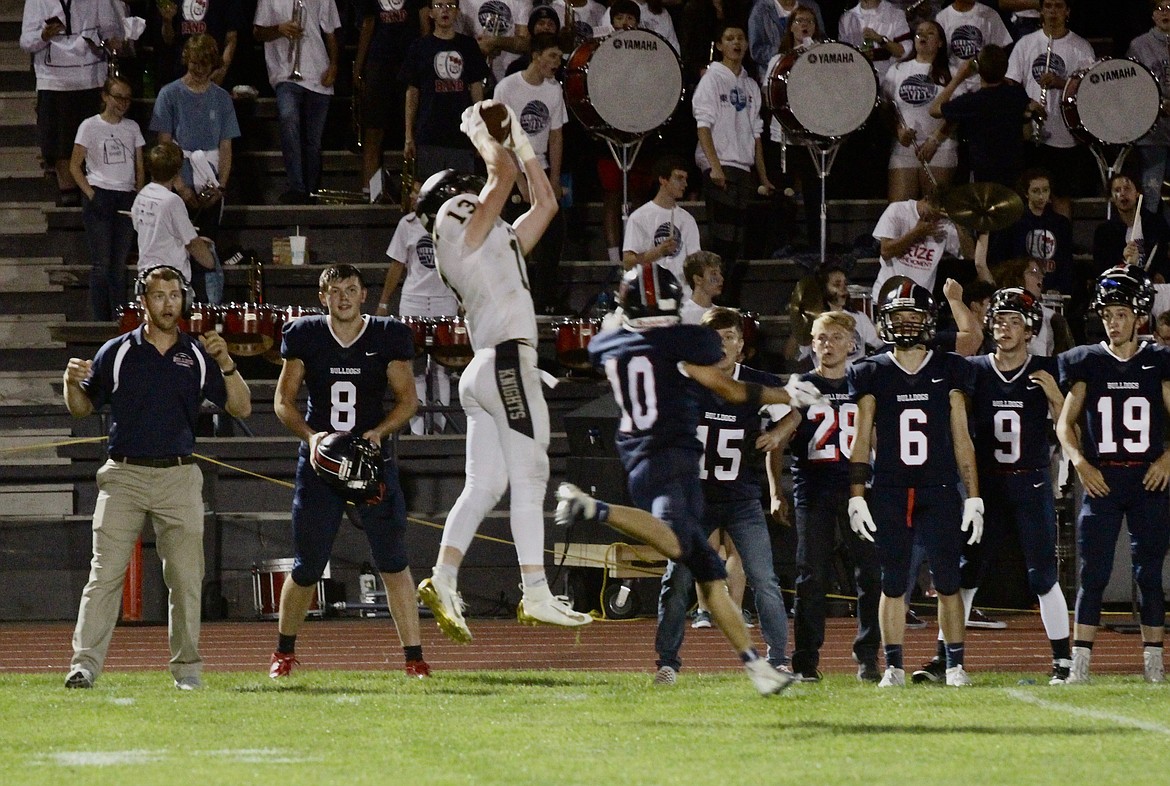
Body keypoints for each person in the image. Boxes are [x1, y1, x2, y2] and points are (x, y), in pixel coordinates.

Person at [555, 263, 827, 695]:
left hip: (635, 454)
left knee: (704, 569)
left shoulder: (610, 343)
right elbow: (729, 387)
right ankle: (594, 508)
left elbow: (602, 348)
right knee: (681, 550)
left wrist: (619, 325)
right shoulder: (684, 340)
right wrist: (787, 393)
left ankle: (758, 667)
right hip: (675, 457)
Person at [415, 100, 592, 642]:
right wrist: (482, 133)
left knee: (485, 483)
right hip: (507, 362)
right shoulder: (455, 225)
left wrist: (518, 136)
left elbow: (544, 202)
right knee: (531, 475)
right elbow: (505, 175)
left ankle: (444, 577)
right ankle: (536, 591)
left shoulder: (495, 240)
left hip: (489, 369)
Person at [63, 265, 251, 690]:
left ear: (183, 299)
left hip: (179, 476)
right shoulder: (117, 350)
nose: (168, 303)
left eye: (174, 295)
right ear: (143, 301)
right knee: (104, 575)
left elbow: (240, 408)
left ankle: (187, 671)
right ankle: (84, 666)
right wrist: (68, 382)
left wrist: (225, 361)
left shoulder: (199, 355)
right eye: (159, 295)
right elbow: (81, 407)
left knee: (186, 579)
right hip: (124, 475)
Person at [269, 264, 428, 679]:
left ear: (363, 295)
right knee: (307, 565)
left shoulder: (387, 335)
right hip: (322, 464)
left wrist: (379, 432)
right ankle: (283, 653)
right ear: (322, 297)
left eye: (351, 289)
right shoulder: (304, 333)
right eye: (335, 290)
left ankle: (414, 658)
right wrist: (312, 439)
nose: (343, 297)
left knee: (393, 561)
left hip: (371, 461)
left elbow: (408, 401)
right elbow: (283, 401)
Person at [913, 287, 1072, 684]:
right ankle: (946, 660)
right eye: (1000, 320)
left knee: (1042, 575)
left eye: (1014, 320)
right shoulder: (976, 370)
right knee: (966, 573)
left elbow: (1071, 431)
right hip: (984, 488)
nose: (1005, 327)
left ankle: (1063, 662)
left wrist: (1055, 396)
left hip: (1030, 483)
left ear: (1030, 328)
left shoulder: (1046, 369)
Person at [846, 280, 983, 687]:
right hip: (889, 486)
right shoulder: (870, 371)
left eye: (913, 317)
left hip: (938, 486)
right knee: (893, 583)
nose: (905, 325)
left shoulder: (949, 368)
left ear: (927, 322)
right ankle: (893, 667)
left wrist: (973, 496)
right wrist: (857, 496)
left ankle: (955, 664)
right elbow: (860, 438)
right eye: (898, 317)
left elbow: (962, 437)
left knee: (947, 580)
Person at [651, 306, 794, 685]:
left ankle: (779, 659)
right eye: (714, 338)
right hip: (692, 499)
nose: (722, 344)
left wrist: (779, 433)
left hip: (741, 497)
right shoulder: (686, 378)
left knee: (764, 579)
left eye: (729, 336)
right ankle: (667, 662)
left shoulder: (756, 382)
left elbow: (797, 404)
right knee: (677, 580)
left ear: (741, 344)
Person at [1057, 265, 1170, 684]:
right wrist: (1081, 463)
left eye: (1121, 313)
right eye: (1107, 314)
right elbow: (1064, 424)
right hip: (1103, 478)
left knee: (1148, 574)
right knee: (1094, 574)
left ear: (1138, 316)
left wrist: (1167, 459)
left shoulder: (1157, 361)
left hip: (1147, 480)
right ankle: (1080, 667)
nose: (1113, 322)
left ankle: (1154, 666)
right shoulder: (1087, 361)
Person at [770, 310, 883, 682]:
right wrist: (775, 489)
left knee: (869, 572)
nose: (827, 345)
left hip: (859, 490)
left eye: (835, 337)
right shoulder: (800, 383)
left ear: (852, 344)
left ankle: (867, 655)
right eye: (820, 338)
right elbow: (776, 442)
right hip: (814, 488)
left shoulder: (863, 381)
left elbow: (877, 438)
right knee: (811, 576)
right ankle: (805, 660)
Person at [151, 34, 240, 304]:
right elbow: (164, 147)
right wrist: (180, 186)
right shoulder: (169, 94)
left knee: (207, 248)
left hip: (210, 183)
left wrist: (220, 187)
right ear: (186, 60)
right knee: (177, 249)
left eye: (205, 63)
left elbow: (226, 148)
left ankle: (210, 306)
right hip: (179, 185)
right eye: (194, 62)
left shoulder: (222, 99)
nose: (199, 69)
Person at [693, 23, 775, 305]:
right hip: (721, 166)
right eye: (730, 38)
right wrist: (714, 166)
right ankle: (713, 303)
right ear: (720, 45)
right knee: (722, 241)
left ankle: (727, 302)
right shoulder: (712, 80)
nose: (736, 43)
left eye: (740, 38)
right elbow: (703, 126)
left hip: (743, 167)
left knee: (737, 244)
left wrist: (763, 177)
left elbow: (756, 134)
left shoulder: (751, 85)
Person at [493, 33, 569, 314]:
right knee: (514, 239)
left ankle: (545, 300)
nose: (556, 63)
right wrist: (521, 182)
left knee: (553, 234)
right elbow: (502, 139)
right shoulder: (507, 88)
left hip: (541, 167)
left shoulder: (554, 90)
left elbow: (556, 137)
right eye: (551, 56)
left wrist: (554, 179)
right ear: (535, 56)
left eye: (559, 58)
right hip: (512, 169)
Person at [21, 0, 123, 207]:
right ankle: (68, 196)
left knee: (94, 143)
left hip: (91, 78)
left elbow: (111, 30)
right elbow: (25, 41)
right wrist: (44, 35)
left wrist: (106, 40)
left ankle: (94, 194)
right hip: (53, 80)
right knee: (59, 145)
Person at [376, 187, 457, 435]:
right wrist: (383, 302)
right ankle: (419, 430)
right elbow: (397, 265)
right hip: (414, 302)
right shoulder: (407, 224)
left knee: (443, 366)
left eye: (418, 193)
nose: (413, 197)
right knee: (415, 366)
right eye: (411, 193)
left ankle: (441, 427)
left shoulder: (451, 224)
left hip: (445, 300)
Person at [1005, 0, 1095, 219]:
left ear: (1067, 11)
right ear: (1041, 12)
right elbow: (1011, 84)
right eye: (1048, 6)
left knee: (1061, 194)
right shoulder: (1026, 43)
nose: (1053, 11)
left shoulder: (1081, 47)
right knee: (1028, 194)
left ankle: (1061, 243)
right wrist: (1028, 105)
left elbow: (1091, 91)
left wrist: (1061, 83)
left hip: (1064, 133)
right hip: (1031, 133)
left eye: (1058, 6)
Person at [69, 75, 145, 322]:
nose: (123, 103)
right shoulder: (89, 126)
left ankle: (120, 318)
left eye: (127, 98)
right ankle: (101, 320)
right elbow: (74, 166)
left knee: (119, 264)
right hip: (100, 192)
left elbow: (139, 166)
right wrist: (91, 194)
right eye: (118, 97)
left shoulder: (132, 127)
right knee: (102, 262)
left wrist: (138, 194)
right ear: (105, 97)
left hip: (125, 196)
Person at [254, 0, 341, 204]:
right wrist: (279, 29)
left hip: (318, 72)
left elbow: (330, 32)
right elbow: (257, 33)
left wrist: (334, 65)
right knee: (288, 119)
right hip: (285, 74)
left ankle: (310, 191)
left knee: (313, 140)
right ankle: (297, 187)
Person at [399, 1, 489, 182]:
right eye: (439, 5)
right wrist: (409, 134)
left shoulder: (468, 46)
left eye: (450, 5)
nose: (445, 10)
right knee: (428, 195)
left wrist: (480, 133)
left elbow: (477, 91)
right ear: (430, 13)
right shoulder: (419, 47)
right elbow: (412, 92)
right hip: (429, 135)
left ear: (457, 12)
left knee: (462, 196)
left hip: (461, 136)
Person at [930, 43, 1031, 189]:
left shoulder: (973, 102)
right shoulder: (1016, 93)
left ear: (978, 69)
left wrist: (959, 77)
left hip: (983, 176)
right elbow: (1027, 134)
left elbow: (934, 110)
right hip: (1014, 173)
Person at [353, 0, 430, 190]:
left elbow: (424, 22)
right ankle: (369, 191)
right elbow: (368, 23)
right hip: (379, 62)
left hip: (408, 61)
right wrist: (359, 65)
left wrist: (425, 59)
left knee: (413, 131)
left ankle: (416, 192)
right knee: (373, 130)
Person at [882, 20, 956, 201]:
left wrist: (935, 140)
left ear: (940, 42)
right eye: (919, 32)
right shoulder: (897, 69)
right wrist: (898, 131)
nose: (922, 35)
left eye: (930, 33)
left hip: (939, 148)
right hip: (904, 147)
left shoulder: (952, 72)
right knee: (899, 209)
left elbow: (956, 113)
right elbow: (886, 108)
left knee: (936, 210)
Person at [131, 142, 216, 286]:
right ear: (177, 171)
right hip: (171, 281)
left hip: (146, 277)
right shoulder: (172, 201)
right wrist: (211, 261)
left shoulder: (142, 195)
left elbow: (138, 225)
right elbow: (192, 243)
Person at [623, 155, 702, 297]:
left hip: (683, 297)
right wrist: (658, 252)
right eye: (679, 178)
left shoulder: (688, 220)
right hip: (650, 296)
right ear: (663, 180)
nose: (685, 184)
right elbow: (628, 263)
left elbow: (695, 263)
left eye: (685, 178)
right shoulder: (639, 217)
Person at [870, 190, 969, 301]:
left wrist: (959, 223)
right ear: (926, 199)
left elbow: (970, 255)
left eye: (938, 217)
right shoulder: (898, 211)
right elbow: (886, 252)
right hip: (888, 296)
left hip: (920, 301)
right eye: (931, 214)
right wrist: (916, 233)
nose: (933, 220)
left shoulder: (943, 224)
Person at [989, 169, 1075, 296]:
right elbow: (999, 260)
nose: (1041, 196)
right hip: (1018, 291)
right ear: (1026, 193)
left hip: (1052, 292)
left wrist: (1060, 288)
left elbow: (1066, 263)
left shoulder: (1061, 224)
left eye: (1045, 190)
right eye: (1035, 191)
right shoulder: (1012, 223)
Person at [1128, 2, 1170, 209]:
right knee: (1152, 194)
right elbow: (1131, 86)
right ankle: (1153, 239)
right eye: (1160, 9)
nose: (1166, 13)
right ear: (1153, 15)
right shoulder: (1139, 45)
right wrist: (1159, 105)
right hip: (1152, 133)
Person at [1092, 173, 1170, 283]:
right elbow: (1102, 271)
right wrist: (1123, 262)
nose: (1122, 194)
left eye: (1127, 188)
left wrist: (1161, 274)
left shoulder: (1156, 224)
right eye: (1117, 190)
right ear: (1112, 198)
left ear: (1137, 193)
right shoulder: (1104, 232)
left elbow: (1165, 257)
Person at [153, 0, 244, 86]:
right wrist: (167, 21)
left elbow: (231, 39)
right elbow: (168, 39)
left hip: (212, 71)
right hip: (181, 71)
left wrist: (222, 70)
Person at [934, 0, 1013, 83]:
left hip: (983, 82)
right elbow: (939, 55)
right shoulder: (942, 18)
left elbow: (997, 52)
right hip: (954, 81)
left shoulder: (990, 14)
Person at [457, 0, 530, 88]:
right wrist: (478, 48)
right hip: (476, 76)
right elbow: (455, 40)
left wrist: (495, 42)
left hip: (513, 76)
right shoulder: (465, 2)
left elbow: (526, 43)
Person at [838, 0, 910, 82]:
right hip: (857, 82)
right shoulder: (847, 18)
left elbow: (903, 51)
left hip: (888, 82)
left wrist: (880, 39)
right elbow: (842, 57)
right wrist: (860, 56)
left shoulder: (895, 14)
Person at [749, 0, 826, 69]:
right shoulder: (760, 9)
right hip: (774, 71)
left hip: (810, 67)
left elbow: (821, 39)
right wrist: (785, 55)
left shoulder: (811, 6)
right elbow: (756, 50)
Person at [680, 251, 724, 324]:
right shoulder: (682, 314)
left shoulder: (722, 315)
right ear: (698, 279)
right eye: (714, 273)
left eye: (720, 273)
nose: (721, 278)